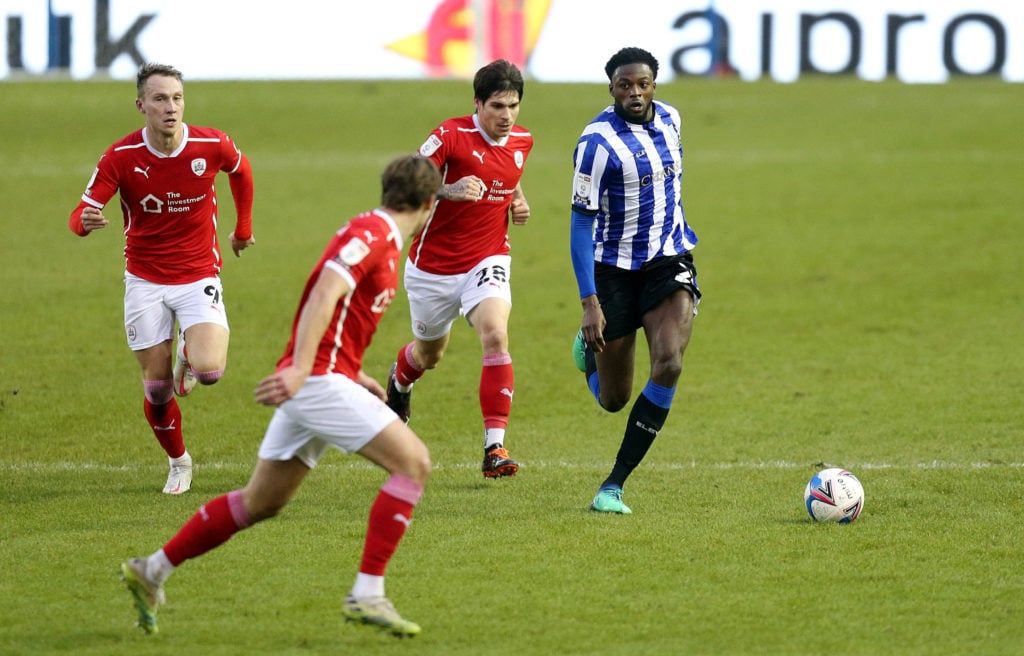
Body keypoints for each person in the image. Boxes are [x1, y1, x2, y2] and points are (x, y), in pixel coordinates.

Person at [119, 154, 442, 638]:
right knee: (413, 463)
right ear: (430, 204)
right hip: (314, 381)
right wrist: (301, 369)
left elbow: (337, 314)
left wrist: (353, 374)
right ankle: (368, 593)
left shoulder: (380, 236)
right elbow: (323, 294)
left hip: (326, 377)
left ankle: (151, 571)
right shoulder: (373, 236)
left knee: (259, 502)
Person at [68, 63, 256, 495]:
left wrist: (242, 228)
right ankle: (179, 461)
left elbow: (242, 172)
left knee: (210, 372)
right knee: (156, 389)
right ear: (141, 106)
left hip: (197, 273)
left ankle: (189, 352)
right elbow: (79, 214)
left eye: (176, 98)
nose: (170, 107)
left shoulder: (211, 143)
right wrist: (86, 222)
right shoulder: (120, 156)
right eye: (159, 99)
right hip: (145, 280)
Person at [385, 59, 533, 479]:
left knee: (495, 332)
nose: (506, 116)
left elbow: (510, 171)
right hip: (432, 268)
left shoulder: (523, 139)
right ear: (477, 103)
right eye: (497, 106)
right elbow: (407, 180)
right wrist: (448, 190)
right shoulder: (450, 135)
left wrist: (517, 201)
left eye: (513, 106)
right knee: (428, 355)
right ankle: (400, 382)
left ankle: (494, 447)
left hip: (487, 258)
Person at [569, 47, 701, 515]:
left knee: (668, 364)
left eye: (642, 83)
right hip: (614, 270)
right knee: (614, 399)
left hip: (669, 259)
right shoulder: (595, 144)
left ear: (654, 85)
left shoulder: (672, 120)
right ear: (612, 88)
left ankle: (613, 486)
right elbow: (581, 225)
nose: (635, 92)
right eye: (625, 85)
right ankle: (586, 355)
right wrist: (590, 302)